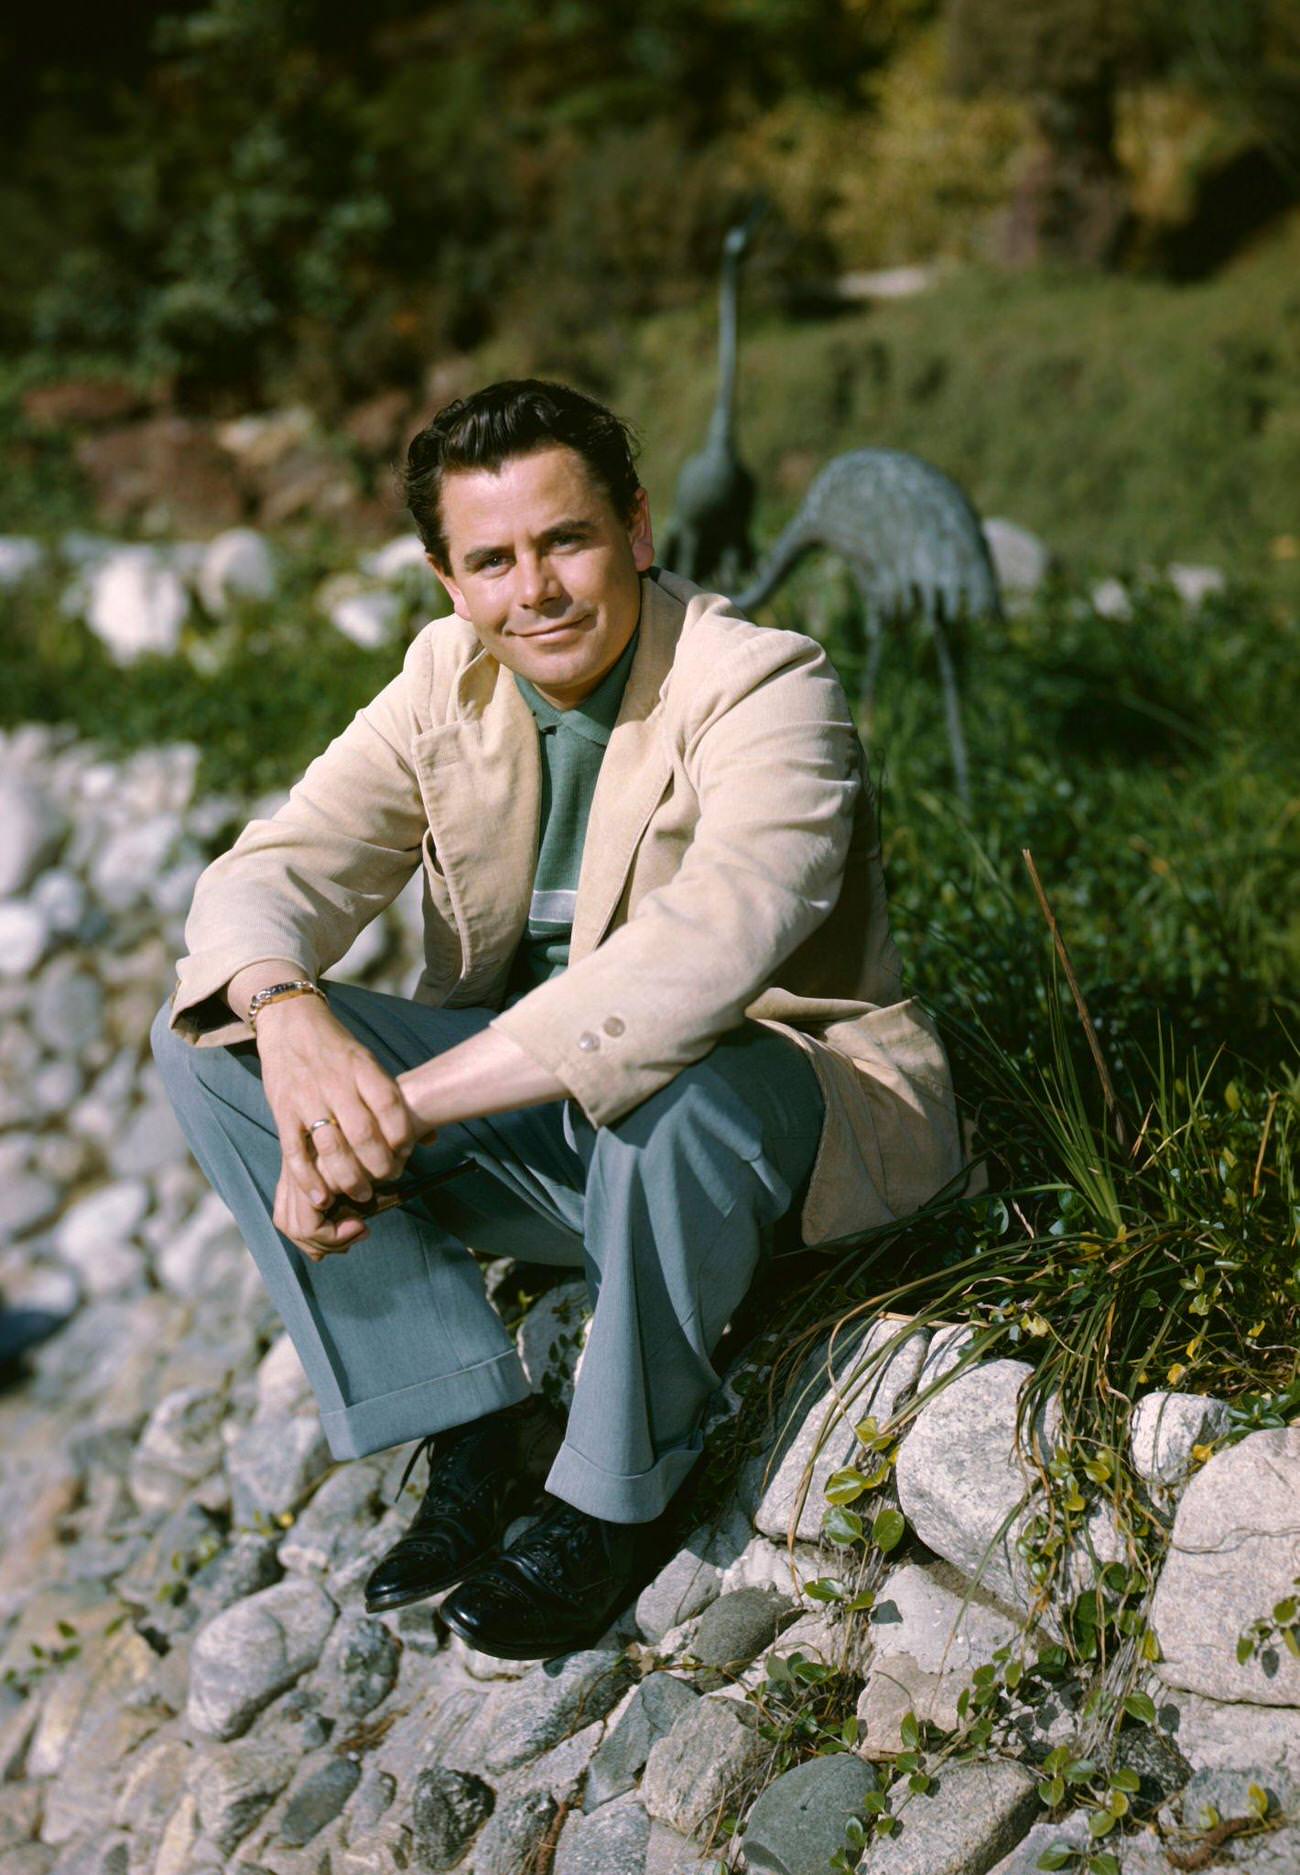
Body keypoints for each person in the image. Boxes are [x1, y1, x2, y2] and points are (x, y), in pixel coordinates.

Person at [152, 378, 963, 1661]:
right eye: (492, 561)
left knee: (675, 1089)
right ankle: (474, 1420)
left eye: (566, 541)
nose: (533, 589)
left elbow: (709, 951)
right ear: (448, 580)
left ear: (636, 530)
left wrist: (387, 1111)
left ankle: (609, 1500)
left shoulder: (763, 682)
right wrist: (290, 1010)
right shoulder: (444, 677)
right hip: (537, 1132)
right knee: (205, 1039)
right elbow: (269, 874)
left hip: (761, 1129)